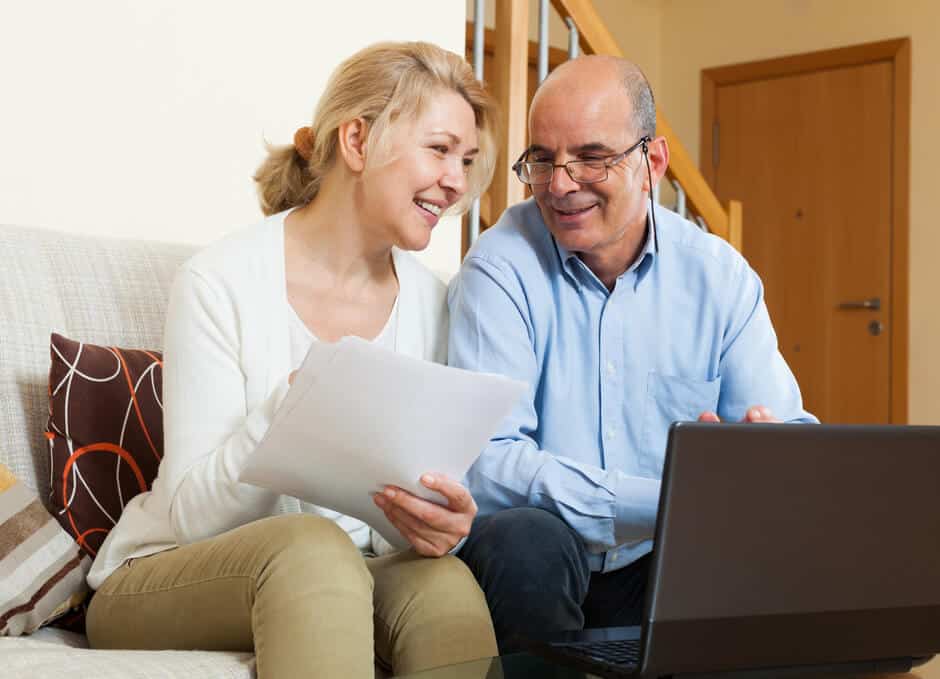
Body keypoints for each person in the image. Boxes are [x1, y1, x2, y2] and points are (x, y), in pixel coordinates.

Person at [85, 41, 499, 678]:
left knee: (445, 589)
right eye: (440, 149)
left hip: (344, 570)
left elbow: (391, 514)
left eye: (466, 160)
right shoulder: (218, 282)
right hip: (164, 573)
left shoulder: (436, 304)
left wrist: (436, 523)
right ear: (357, 141)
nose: (456, 180)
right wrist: (294, 407)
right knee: (314, 550)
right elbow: (193, 518)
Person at [445, 55, 817, 653]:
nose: (561, 185)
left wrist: (773, 454)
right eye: (542, 159)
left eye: (592, 157)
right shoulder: (500, 268)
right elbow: (488, 465)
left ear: (653, 163)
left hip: (662, 561)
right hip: (538, 560)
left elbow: (788, 437)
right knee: (528, 542)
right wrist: (672, 498)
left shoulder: (718, 277)